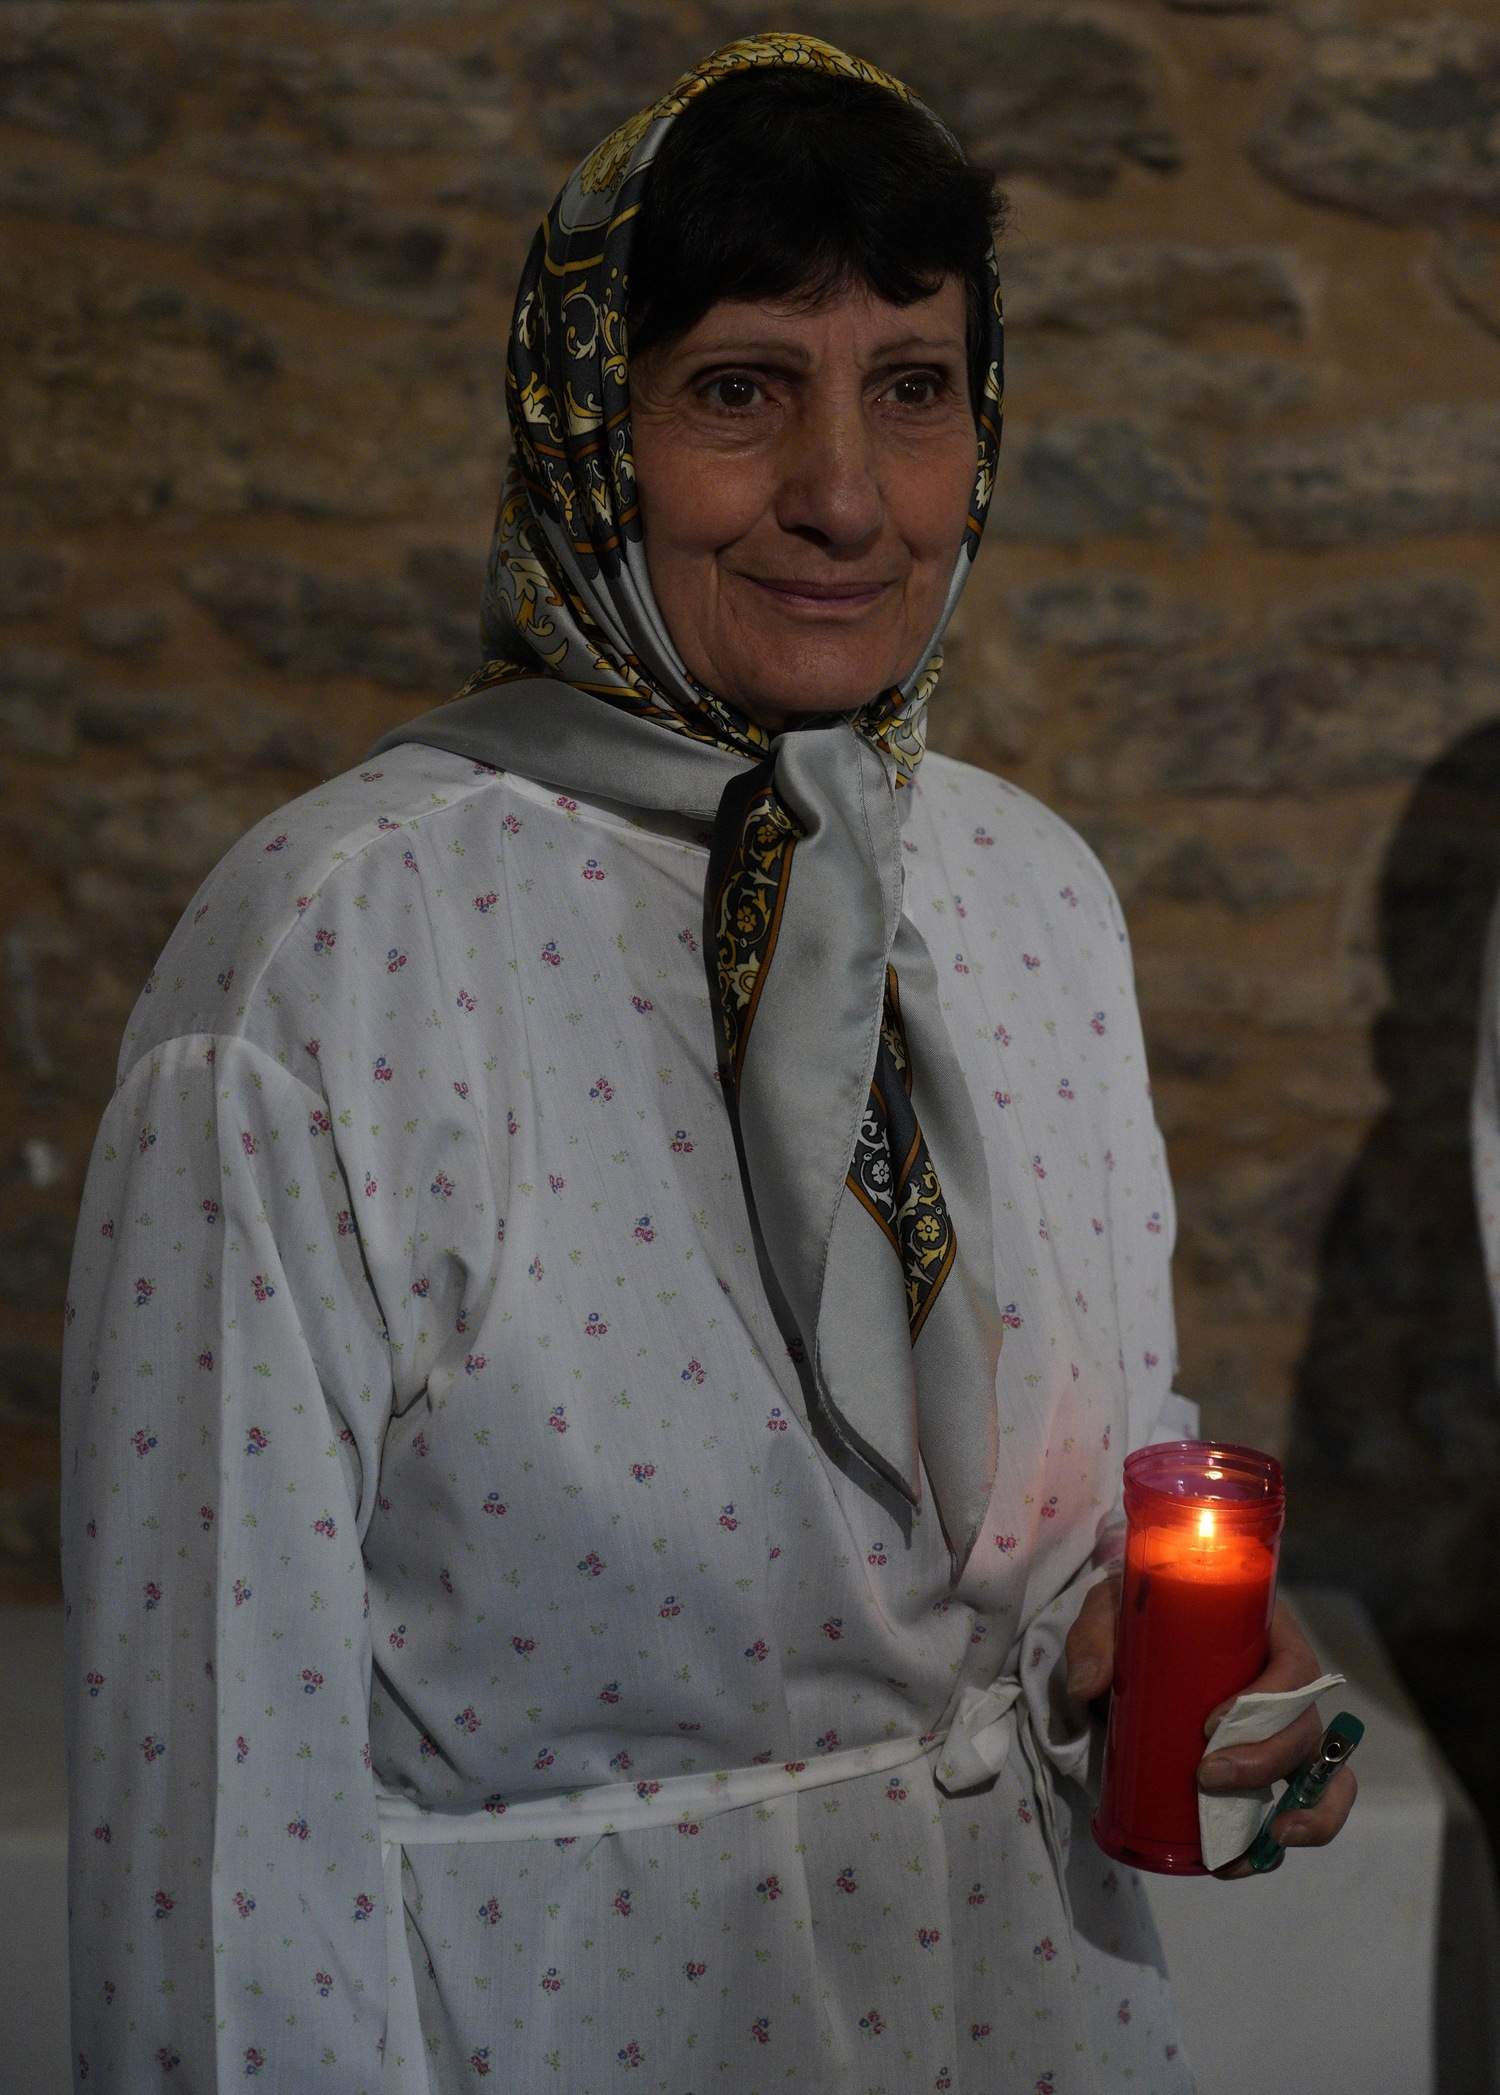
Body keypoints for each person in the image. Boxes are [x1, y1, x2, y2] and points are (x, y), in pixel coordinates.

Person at [61, 33, 1355, 2093]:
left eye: (912, 390)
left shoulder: (1032, 898)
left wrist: (1139, 1665)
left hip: (1021, 2008)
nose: (846, 495)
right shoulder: (339, 957)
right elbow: (216, 1826)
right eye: (742, 391)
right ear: (589, 427)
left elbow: (1067, 1535)